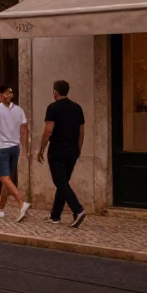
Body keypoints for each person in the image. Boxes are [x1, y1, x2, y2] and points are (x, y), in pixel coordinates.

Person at [37, 80, 87, 227]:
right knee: (63, 182)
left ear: (55, 92)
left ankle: (78, 210)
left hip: (57, 150)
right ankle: (55, 215)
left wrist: (41, 149)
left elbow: (48, 130)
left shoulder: (53, 108)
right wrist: (79, 148)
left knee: (60, 181)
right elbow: (81, 131)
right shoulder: (77, 108)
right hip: (72, 151)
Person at [0, 85, 31, 221]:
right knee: (7, 179)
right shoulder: (19, 111)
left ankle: (21, 202)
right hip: (15, 148)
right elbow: (23, 131)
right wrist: (25, 149)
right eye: (8, 92)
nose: (9, 95)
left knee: (4, 178)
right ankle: (0, 209)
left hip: (1, 148)